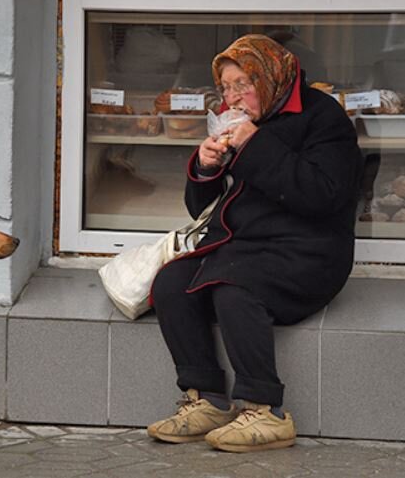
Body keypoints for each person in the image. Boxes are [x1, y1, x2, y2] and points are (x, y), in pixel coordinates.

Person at [147, 34, 363, 452]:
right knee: (171, 283)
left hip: (310, 251)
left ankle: (267, 411)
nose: (233, 97)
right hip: (244, 247)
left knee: (234, 288)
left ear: (269, 75)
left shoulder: (323, 118)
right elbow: (200, 207)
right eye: (226, 88)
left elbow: (323, 195)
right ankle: (206, 397)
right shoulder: (237, 121)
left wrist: (253, 144)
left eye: (243, 83)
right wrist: (206, 167)